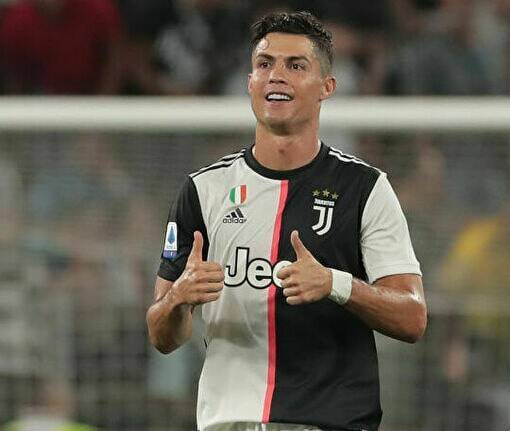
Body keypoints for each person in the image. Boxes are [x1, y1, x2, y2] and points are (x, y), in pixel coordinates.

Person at [146, 11, 427, 431]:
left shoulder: (365, 189)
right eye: (265, 64)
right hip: (230, 424)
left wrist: (335, 284)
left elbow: (413, 317)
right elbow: (161, 335)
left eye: (296, 66)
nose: (276, 75)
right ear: (250, 82)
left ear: (326, 87)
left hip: (328, 423)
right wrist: (178, 300)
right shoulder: (203, 190)